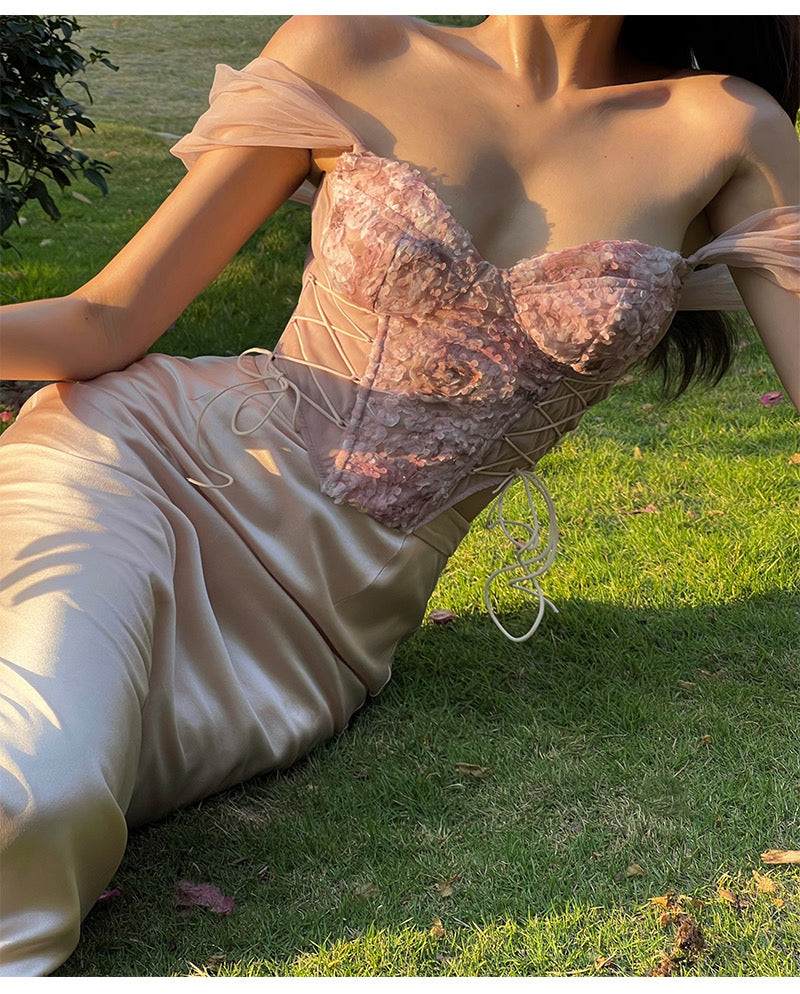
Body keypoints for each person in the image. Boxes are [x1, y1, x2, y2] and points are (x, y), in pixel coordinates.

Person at [0, 14, 798, 976]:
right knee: (30, 792)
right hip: (144, 464)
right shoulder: (350, 46)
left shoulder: (728, 128)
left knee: (58, 800)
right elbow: (105, 318)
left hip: (315, 639)